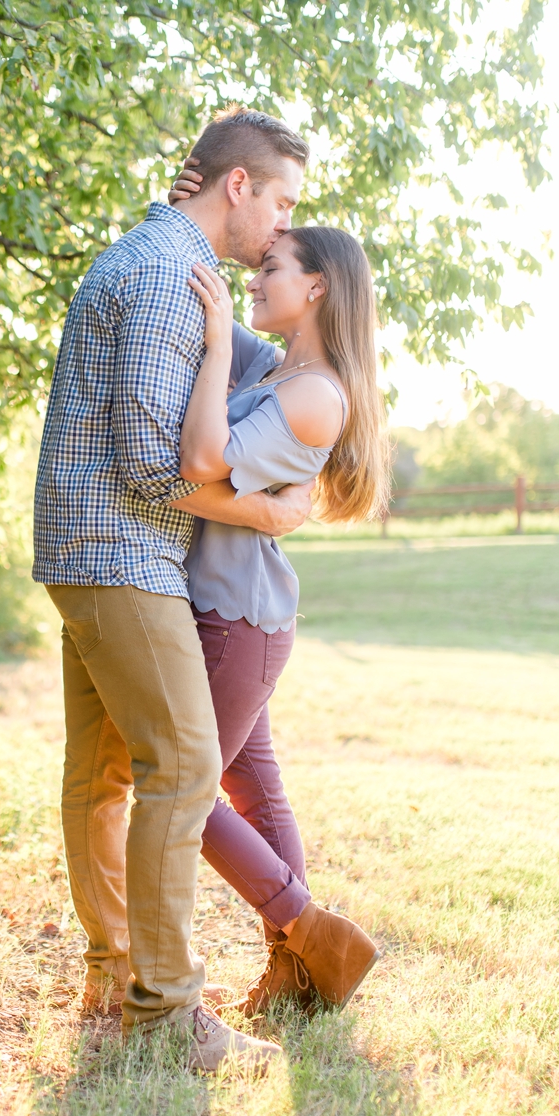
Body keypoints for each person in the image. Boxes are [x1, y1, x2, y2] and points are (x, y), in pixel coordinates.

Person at [31, 107, 315, 1073]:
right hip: (123, 553)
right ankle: (163, 1013)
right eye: (279, 200)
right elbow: (159, 468)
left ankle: (114, 982)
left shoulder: (141, 261)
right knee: (188, 769)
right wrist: (269, 514)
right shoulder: (165, 279)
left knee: (101, 777)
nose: (281, 226)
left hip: (88, 549)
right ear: (238, 185)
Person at [174, 208, 392, 1016]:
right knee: (254, 791)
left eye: (274, 268)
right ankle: (300, 975)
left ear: (317, 287)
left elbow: (201, 462)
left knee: (184, 796)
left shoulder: (313, 399)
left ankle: (313, 932)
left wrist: (236, 505)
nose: (253, 280)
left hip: (237, 621)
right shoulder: (281, 372)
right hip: (237, 612)